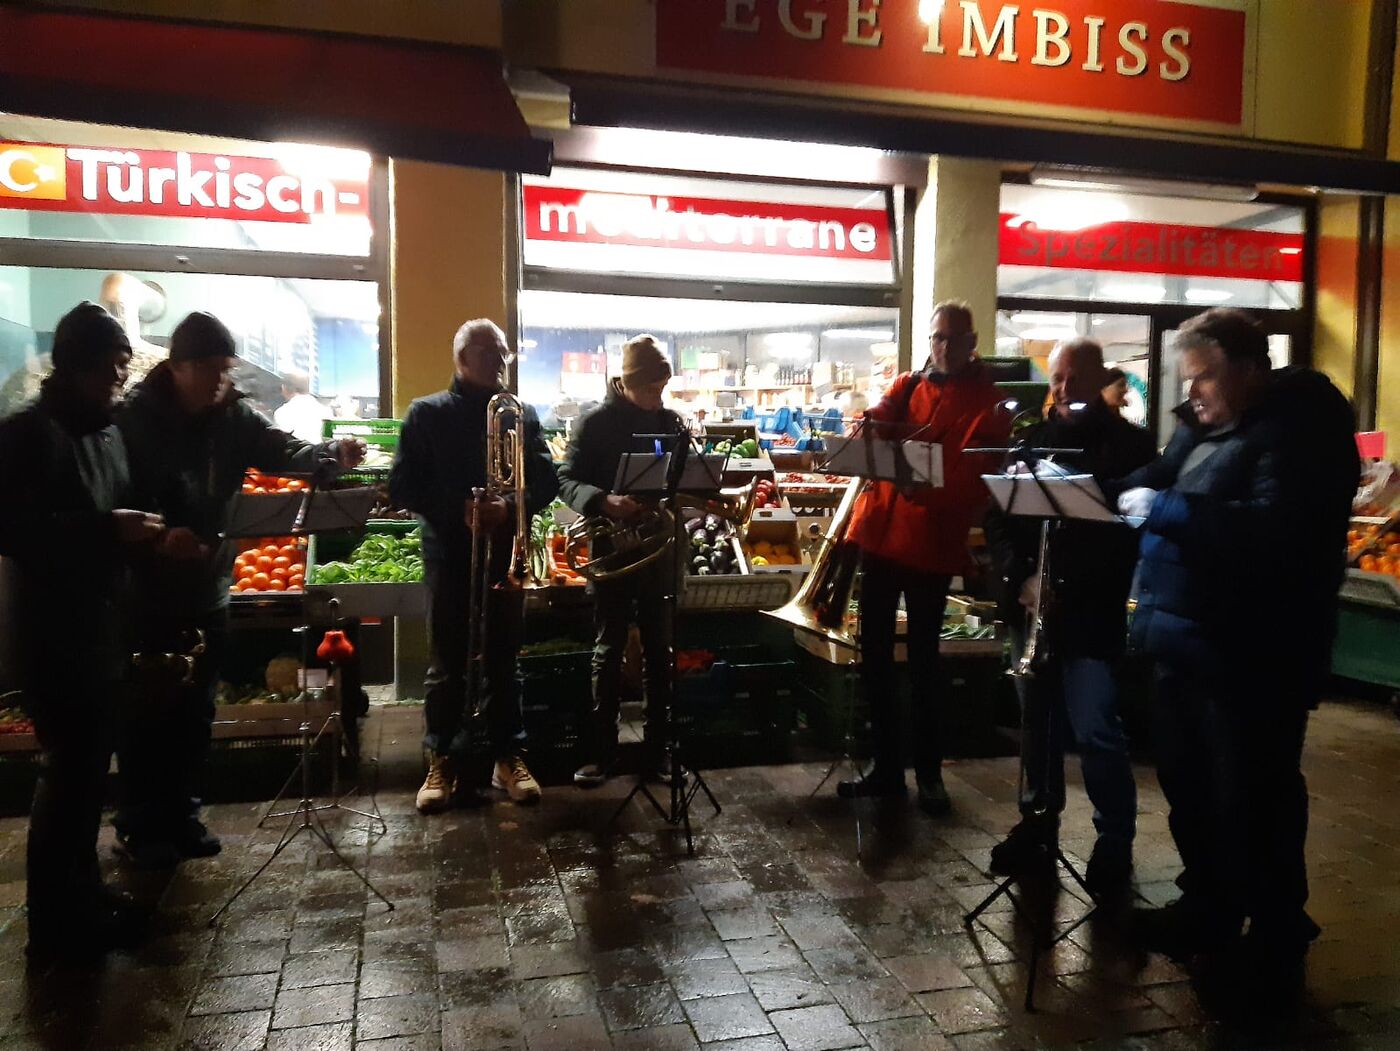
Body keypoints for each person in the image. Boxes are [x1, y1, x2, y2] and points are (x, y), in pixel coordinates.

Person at [1115, 308, 1358, 965]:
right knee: (1189, 786)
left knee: (1252, 791)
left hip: (1254, 650)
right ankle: (1208, 906)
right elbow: (1155, 482)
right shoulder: (1206, 426)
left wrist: (1166, 510)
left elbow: (1278, 535)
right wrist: (1088, 492)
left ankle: (1277, 923)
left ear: (1251, 369)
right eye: (1187, 379)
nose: (1192, 391)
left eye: (1204, 377)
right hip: (1182, 640)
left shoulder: (1300, 428)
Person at [116, 312, 365, 867]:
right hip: (148, 587)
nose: (221, 380)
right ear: (179, 367)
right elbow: (119, 496)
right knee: (148, 710)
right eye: (211, 369)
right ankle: (139, 825)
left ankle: (183, 815)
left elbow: (281, 449)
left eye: (226, 369)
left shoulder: (232, 417)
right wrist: (158, 538)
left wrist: (329, 455)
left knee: (196, 709)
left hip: (209, 583)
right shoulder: (134, 419)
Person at [0, 304, 165, 963]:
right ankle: (54, 923)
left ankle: (84, 896)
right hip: (52, 633)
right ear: (75, 366)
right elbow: (16, 530)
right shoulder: (25, 433)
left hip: (101, 627)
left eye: (124, 367)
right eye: (111, 367)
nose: (120, 379)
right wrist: (108, 529)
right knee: (67, 775)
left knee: (90, 775)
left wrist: (150, 535)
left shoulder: (106, 432)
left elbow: (118, 510)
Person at [983, 339, 1156, 894]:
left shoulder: (1131, 447)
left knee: (1097, 728)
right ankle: (1037, 823)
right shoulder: (1031, 441)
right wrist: (1023, 579)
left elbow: (1129, 536)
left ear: (1102, 379)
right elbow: (998, 521)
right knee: (1037, 727)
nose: (1062, 390)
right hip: (1033, 607)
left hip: (1090, 612)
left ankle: (1114, 839)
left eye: (1075, 379)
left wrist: (1067, 585)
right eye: (1057, 379)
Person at [840, 300, 1010, 814]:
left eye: (954, 338)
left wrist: (924, 484)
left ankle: (930, 773)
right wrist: (869, 426)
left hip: (931, 544)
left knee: (923, 664)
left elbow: (977, 474)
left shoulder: (990, 402)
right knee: (874, 656)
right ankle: (887, 768)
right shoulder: (909, 384)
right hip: (880, 536)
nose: (944, 347)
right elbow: (879, 419)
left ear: (972, 343)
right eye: (937, 337)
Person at [390, 319, 559, 813]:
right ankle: (441, 758)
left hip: (504, 552)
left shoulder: (520, 415)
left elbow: (547, 481)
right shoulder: (426, 413)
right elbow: (402, 486)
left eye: (504, 354)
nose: (500, 363)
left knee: (505, 659)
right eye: (489, 354)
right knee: (447, 662)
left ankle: (508, 755)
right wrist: (457, 509)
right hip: (449, 553)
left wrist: (509, 506)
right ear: (461, 358)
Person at [557, 335, 680, 787]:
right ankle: (601, 753)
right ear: (626, 383)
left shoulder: (670, 421)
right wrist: (603, 500)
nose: (657, 397)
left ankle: (657, 752)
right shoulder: (594, 424)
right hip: (611, 550)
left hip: (657, 552)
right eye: (650, 388)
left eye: (662, 388)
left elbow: (680, 480)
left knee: (660, 652)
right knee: (608, 651)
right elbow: (566, 479)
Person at [273, 370, 332, 444]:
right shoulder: (326, 411)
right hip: (320, 450)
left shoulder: (282, 413)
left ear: (284, 388)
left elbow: (281, 443)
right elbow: (329, 441)